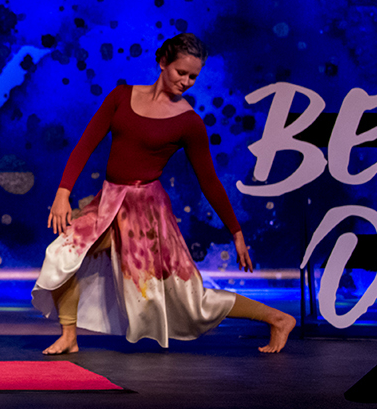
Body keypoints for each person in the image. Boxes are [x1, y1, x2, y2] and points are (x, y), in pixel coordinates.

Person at [32, 32, 296, 354]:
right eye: (180, 72)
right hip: (108, 203)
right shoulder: (121, 96)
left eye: (193, 77)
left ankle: (278, 318)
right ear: (162, 63)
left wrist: (236, 231)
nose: (186, 81)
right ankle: (69, 335)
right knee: (64, 255)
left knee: (190, 299)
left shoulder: (188, 122)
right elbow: (86, 144)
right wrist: (63, 192)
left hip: (146, 215)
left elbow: (209, 181)